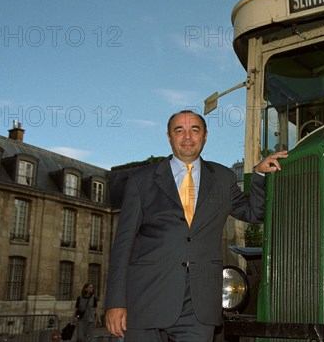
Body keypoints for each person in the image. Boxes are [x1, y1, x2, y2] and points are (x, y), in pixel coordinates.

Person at [105, 110, 287, 342]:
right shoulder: (142, 179)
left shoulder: (223, 178)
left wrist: (259, 175)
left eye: (195, 130)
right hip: (146, 300)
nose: (187, 137)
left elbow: (254, 212)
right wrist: (115, 302)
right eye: (179, 130)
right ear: (169, 137)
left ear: (205, 136)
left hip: (199, 306)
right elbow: (123, 245)